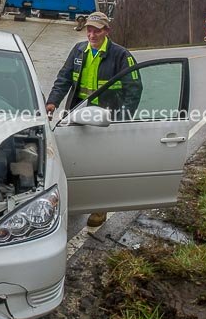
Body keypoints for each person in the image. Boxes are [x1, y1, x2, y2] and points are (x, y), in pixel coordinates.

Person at [45, 11, 142, 227]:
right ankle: (75, 200)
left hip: (106, 117)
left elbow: (134, 89)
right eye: (89, 29)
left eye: (97, 30)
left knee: (102, 163)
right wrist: (53, 101)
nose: (92, 34)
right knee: (72, 157)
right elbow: (64, 77)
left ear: (106, 31)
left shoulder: (121, 55)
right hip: (78, 113)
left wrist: (122, 119)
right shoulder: (79, 50)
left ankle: (99, 207)